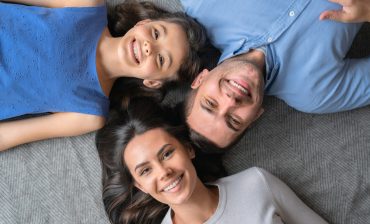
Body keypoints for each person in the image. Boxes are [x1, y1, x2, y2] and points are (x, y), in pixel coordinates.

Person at [0, 0, 206, 151]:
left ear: (153, 82)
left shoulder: (90, 114)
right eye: (156, 34)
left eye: (161, 59)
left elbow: (10, 136)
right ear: (143, 24)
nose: (148, 47)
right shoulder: (87, 5)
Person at [96, 97, 328, 224]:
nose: (163, 172)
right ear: (139, 185)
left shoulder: (256, 183)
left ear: (188, 149)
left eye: (167, 154)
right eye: (145, 171)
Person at [181, 0, 370, 148]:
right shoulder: (314, 93)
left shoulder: (203, 6)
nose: (230, 101)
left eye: (210, 103)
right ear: (256, 116)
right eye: (234, 120)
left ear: (200, 78)